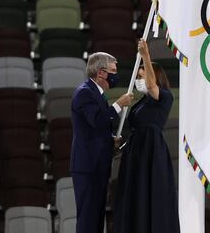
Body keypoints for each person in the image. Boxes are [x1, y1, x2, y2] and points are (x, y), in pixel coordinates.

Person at [113, 39, 180, 233]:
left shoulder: (165, 97)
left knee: (151, 195)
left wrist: (146, 56)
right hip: (135, 152)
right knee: (133, 196)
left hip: (151, 151)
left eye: (141, 74)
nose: (138, 78)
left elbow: (152, 87)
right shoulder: (140, 102)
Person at [70, 52, 133, 233]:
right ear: (101, 73)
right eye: (113, 71)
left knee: (97, 218)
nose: (116, 75)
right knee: (88, 219)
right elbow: (96, 120)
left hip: (97, 165)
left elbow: (96, 128)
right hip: (88, 166)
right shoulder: (84, 93)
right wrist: (118, 104)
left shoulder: (97, 93)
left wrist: (110, 139)